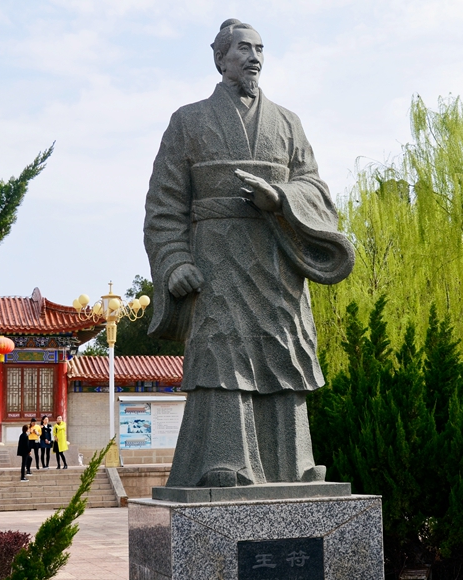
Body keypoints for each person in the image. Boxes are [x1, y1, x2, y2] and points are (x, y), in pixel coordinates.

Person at [144, 19, 353, 488]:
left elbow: (315, 188)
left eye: (259, 49)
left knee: (284, 352)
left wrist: (279, 198)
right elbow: (163, 206)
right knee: (223, 355)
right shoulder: (188, 121)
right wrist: (175, 261)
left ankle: (296, 464)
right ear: (221, 58)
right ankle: (223, 462)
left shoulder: (288, 123)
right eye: (243, 48)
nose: (254, 57)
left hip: (276, 261)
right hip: (216, 263)